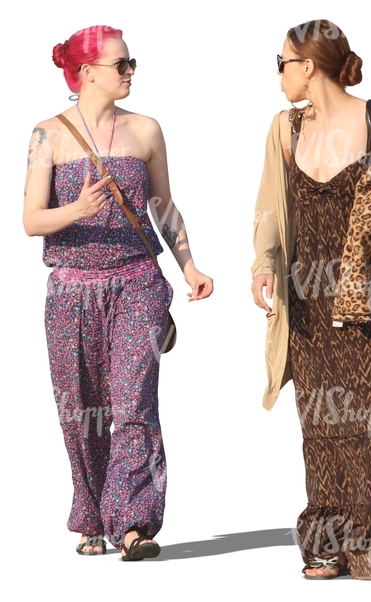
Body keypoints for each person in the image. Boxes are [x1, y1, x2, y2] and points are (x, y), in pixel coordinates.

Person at [251, 19, 371, 580]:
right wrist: (263, 262)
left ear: (309, 66)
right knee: (320, 422)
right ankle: (328, 541)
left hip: (366, 294)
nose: (278, 73)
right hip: (306, 299)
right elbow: (270, 208)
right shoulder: (284, 128)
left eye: (282, 61)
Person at [23, 25, 213, 560]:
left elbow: (164, 206)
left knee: (133, 402)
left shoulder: (146, 130)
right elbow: (30, 219)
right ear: (86, 72)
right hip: (71, 290)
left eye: (133, 63)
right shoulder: (47, 134)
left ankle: (133, 523)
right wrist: (76, 211)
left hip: (136, 281)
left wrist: (189, 266)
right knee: (79, 407)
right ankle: (91, 513)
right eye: (121, 64)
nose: (130, 72)